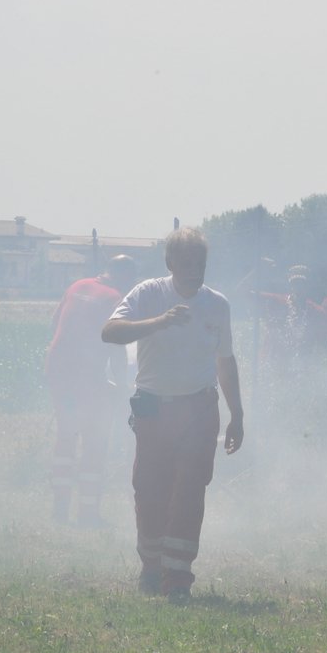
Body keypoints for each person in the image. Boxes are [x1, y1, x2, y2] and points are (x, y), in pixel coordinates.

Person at [102, 227, 243, 602]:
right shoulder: (148, 294)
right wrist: (159, 322)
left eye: (200, 263)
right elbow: (110, 332)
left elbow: (225, 361)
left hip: (199, 409)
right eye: (186, 263)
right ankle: (151, 567)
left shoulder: (217, 305)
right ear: (170, 264)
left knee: (190, 492)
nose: (194, 271)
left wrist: (237, 415)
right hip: (154, 410)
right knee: (150, 490)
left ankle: (178, 579)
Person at [44, 254, 139, 524]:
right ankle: (88, 513)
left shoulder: (77, 286)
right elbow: (117, 345)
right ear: (125, 276)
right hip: (85, 378)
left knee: (66, 436)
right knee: (95, 440)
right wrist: (121, 384)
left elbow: (54, 325)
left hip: (58, 373)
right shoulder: (114, 298)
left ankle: (59, 510)